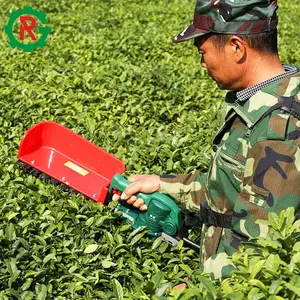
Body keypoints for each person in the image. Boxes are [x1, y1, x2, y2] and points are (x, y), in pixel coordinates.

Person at [113, 0, 300, 279]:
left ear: (237, 47)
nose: (202, 63)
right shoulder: (270, 98)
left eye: (203, 52)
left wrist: (196, 289)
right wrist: (162, 184)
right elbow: (231, 191)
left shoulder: (279, 129)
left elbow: (262, 253)